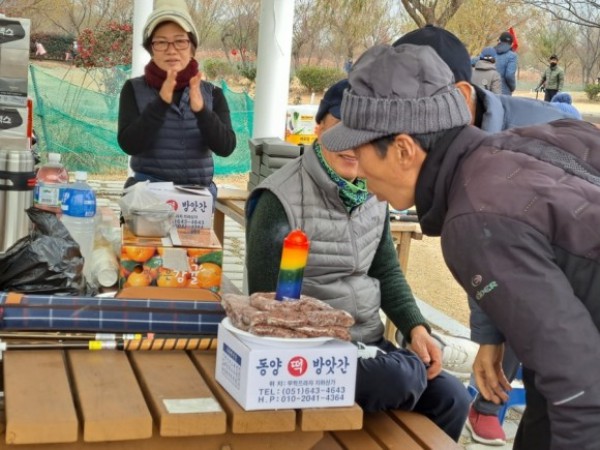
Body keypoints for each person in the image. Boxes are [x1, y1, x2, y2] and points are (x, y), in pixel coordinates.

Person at [322, 42, 600, 450]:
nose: (359, 173)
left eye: (362, 156)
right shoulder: (542, 137)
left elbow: (582, 391)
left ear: (403, 150)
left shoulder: (473, 220)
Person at [245, 79, 471, 442]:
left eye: (363, 135)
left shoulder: (373, 191)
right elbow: (265, 303)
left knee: (453, 398)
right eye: (340, 131)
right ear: (318, 129)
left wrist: (416, 329)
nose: (352, 146)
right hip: (310, 355)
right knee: (398, 377)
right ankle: (403, 369)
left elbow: (385, 269)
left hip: (369, 346)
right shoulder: (278, 199)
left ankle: (404, 367)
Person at [393, 25, 575, 446]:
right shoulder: (445, 151)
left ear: (457, 96)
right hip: (548, 332)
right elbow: (494, 258)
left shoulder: (546, 129)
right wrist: (491, 337)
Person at [117, 0, 236, 200]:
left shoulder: (212, 94)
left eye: (180, 41)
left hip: (196, 202)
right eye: (161, 42)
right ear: (151, 49)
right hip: (148, 199)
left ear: (192, 48)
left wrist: (201, 111)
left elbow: (226, 147)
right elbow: (129, 145)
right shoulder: (133, 89)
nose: (171, 50)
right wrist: (160, 104)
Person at [494, 31, 517, 95]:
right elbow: (509, 75)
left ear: (499, 41)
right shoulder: (512, 56)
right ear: (511, 43)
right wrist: (512, 87)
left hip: (488, 92)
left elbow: (475, 61)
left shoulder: (489, 52)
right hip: (504, 93)